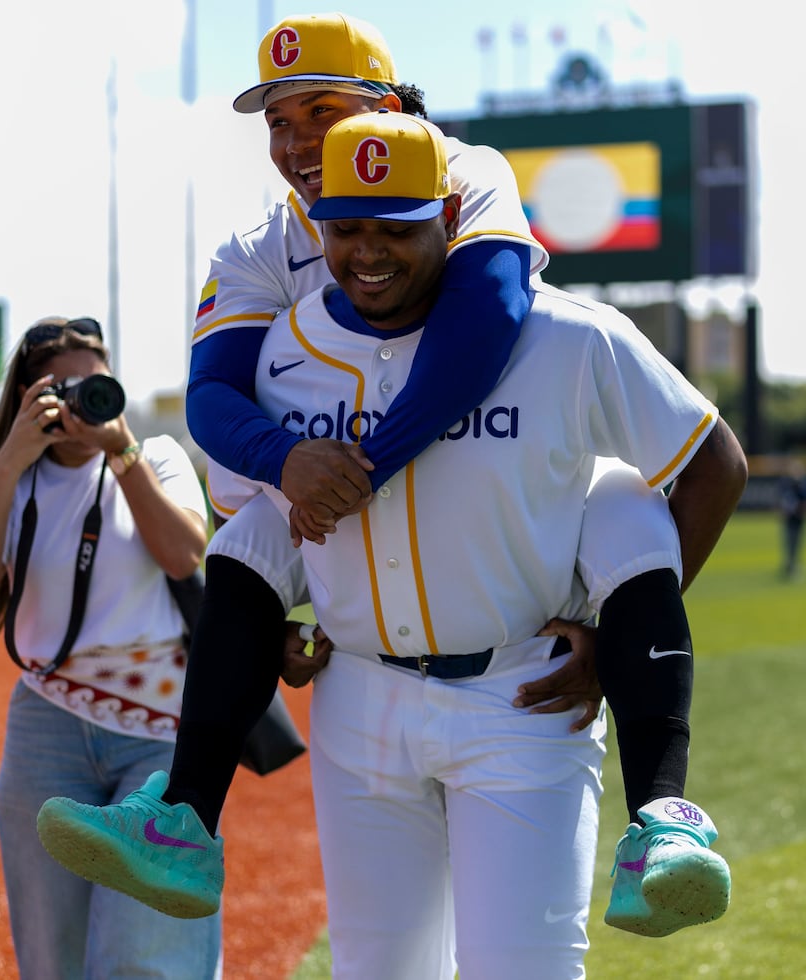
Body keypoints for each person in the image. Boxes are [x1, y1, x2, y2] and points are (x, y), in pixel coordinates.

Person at [36, 11, 743, 942]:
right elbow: (215, 402)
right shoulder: (265, 269)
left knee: (620, 506)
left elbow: (484, 315)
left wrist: (361, 462)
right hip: (364, 678)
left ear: (391, 112)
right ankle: (185, 815)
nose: (297, 144)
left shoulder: (471, 182)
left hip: (513, 649)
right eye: (277, 122)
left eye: (320, 111)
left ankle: (662, 815)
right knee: (250, 538)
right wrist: (291, 480)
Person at [171, 112, 744, 977]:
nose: (369, 252)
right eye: (346, 229)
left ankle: (663, 813)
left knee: (524, 967)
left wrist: (611, 645)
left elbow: (714, 464)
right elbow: (257, 525)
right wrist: (273, 631)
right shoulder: (285, 352)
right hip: (359, 700)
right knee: (377, 972)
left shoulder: (567, 335)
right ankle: (179, 812)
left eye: (397, 228)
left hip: (519, 696)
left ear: (449, 212)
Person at [0, 317, 222, 979]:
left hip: (159, 731)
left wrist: (122, 453)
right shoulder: (17, 479)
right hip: (46, 731)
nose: (83, 400)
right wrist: (9, 459)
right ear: (28, 397)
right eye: (62, 388)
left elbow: (183, 554)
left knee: (145, 951)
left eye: (94, 383)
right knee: (53, 956)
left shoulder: (156, 454)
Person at [778, 459, 806, 578]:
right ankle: (789, 565)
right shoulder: (787, 483)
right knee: (789, 542)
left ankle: (794, 565)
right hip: (790, 519)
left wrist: (803, 510)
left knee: (797, 543)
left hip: (799, 519)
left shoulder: (803, 484)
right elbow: (783, 501)